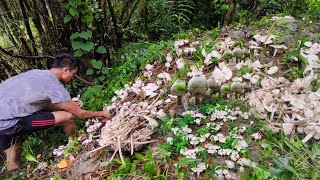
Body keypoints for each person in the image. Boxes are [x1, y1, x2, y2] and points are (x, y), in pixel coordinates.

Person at [0, 53, 109, 170]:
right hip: (11, 122)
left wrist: (66, 105)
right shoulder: (53, 83)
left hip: (3, 120)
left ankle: (15, 174)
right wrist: (102, 113)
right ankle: (79, 144)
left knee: (14, 151)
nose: (72, 78)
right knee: (67, 117)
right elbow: (80, 113)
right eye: (73, 74)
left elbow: (42, 104)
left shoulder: (36, 74)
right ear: (66, 70)